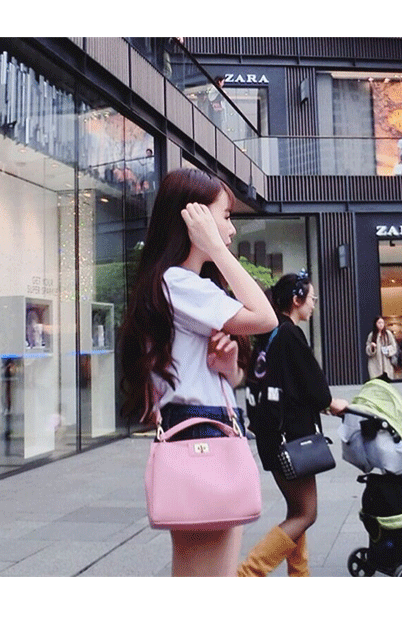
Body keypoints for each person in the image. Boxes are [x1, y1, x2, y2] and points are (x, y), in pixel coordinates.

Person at [120, 168, 277, 577]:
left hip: (210, 427)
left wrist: (228, 369)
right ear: (195, 220)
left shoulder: (185, 283)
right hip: (200, 433)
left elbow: (221, 377)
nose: (231, 228)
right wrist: (218, 251)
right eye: (225, 215)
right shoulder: (178, 282)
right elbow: (266, 318)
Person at [238, 271, 348, 577]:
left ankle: (299, 576)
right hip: (292, 440)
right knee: (306, 514)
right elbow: (317, 389)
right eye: (311, 298)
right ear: (297, 300)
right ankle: (247, 574)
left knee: (295, 510)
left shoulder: (269, 334)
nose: (313, 304)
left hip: (271, 436)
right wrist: (330, 403)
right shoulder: (290, 334)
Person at [365, 316, 397, 381]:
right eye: (379, 323)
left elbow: (394, 346)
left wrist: (388, 350)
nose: (381, 324)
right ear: (375, 324)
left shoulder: (388, 334)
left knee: (386, 382)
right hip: (375, 363)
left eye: (382, 323)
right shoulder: (372, 335)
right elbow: (367, 349)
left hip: (386, 363)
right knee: (376, 382)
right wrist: (372, 347)